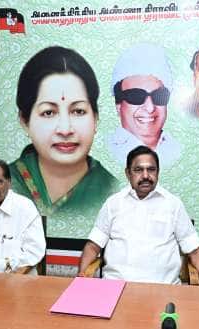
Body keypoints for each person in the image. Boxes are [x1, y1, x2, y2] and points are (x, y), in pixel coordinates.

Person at [9, 46, 118, 217]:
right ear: (24, 121)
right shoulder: (7, 184)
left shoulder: (111, 190)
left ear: (95, 118)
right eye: (49, 113)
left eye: (78, 111)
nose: (65, 130)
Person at [78, 146, 199, 285]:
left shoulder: (173, 204)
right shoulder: (113, 204)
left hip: (163, 288)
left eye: (151, 169)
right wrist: (81, 279)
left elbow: (195, 251)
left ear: (158, 172)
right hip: (116, 286)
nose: (145, 176)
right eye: (138, 170)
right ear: (128, 173)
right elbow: (93, 246)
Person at [107, 43, 181, 168]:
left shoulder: (177, 150)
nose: (150, 108)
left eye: (159, 96)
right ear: (118, 105)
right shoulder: (108, 151)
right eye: (136, 96)